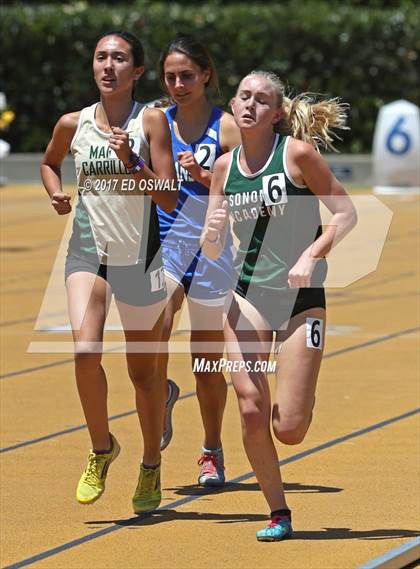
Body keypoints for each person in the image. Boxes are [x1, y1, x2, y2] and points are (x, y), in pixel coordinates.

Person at [202, 70, 357, 540]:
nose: (250, 105)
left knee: (288, 427)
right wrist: (211, 237)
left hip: (300, 301)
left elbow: (346, 214)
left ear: (276, 114)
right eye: (244, 97)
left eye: (262, 100)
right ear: (233, 104)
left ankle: (300, 393)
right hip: (247, 294)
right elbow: (213, 243)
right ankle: (278, 512)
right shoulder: (224, 169)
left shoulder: (297, 156)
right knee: (250, 408)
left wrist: (312, 254)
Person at [40, 31, 177, 514]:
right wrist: (56, 192)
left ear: (136, 71)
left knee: (143, 375)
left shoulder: (151, 121)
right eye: (101, 57)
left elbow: (167, 196)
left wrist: (131, 160)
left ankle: (151, 463)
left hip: (138, 257)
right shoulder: (72, 123)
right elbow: (50, 162)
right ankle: (102, 449)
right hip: (87, 252)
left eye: (119, 58)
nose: (108, 66)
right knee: (83, 350)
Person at [155, 37, 240, 486]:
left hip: (211, 251)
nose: (178, 84)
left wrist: (205, 177)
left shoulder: (225, 128)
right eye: (170, 77)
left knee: (206, 366)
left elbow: (246, 191)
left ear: (206, 74)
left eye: (187, 75)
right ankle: (162, 393)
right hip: (167, 244)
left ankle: (211, 449)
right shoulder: (156, 123)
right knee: (153, 333)